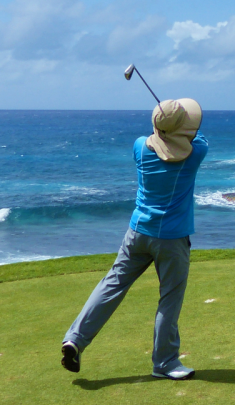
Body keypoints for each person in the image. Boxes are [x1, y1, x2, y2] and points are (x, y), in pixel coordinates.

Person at [60, 98, 208, 380]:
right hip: (172, 239)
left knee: (111, 285)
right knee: (169, 299)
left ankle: (75, 339)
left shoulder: (140, 146)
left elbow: (163, 136)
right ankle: (164, 363)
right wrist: (177, 121)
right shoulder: (197, 153)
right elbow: (196, 135)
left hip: (137, 233)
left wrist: (165, 121)